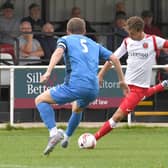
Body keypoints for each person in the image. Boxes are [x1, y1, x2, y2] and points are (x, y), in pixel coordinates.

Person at [35, 17, 128, 155]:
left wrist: (48, 71)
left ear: (67, 31)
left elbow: (58, 52)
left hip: (75, 85)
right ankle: (66, 138)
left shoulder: (65, 40)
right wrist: (122, 81)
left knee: (40, 100)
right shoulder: (94, 44)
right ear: (84, 31)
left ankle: (54, 133)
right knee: (77, 108)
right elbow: (114, 58)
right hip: (93, 89)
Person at [94, 16, 168, 142]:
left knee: (117, 116)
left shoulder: (154, 41)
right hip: (128, 86)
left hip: (138, 89)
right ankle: (163, 85)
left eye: (132, 33)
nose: (130, 35)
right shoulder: (127, 41)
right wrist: (100, 75)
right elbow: (113, 58)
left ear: (139, 30)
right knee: (142, 95)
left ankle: (94, 138)